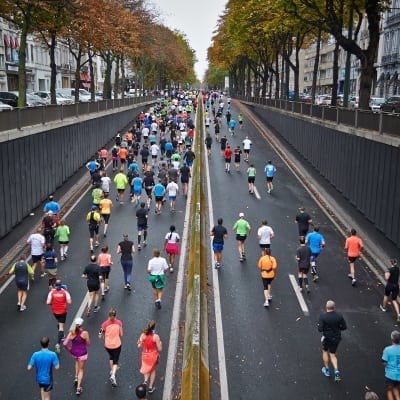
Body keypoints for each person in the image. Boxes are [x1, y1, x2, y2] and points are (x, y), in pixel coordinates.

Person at [318, 300, 347, 382]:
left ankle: (327, 370)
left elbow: (320, 329)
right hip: (336, 337)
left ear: (326, 307)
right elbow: (344, 327)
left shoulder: (323, 316)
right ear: (334, 307)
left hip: (327, 338)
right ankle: (336, 370)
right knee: (333, 354)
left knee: (325, 351)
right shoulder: (339, 316)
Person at [63, 318, 91, 395]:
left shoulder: (72, 332)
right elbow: (88, 344)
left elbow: (65, 343)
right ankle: (78, 388)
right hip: (82, 354)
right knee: (81, 369)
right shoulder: (85, 333)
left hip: (74, 353)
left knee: (76, 362)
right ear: (82, 324)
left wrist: (69, 349)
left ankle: (76, 377)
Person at [99, 308, 123, 387]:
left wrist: (104, 337)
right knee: (116, 361)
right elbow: (121, 334)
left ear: (108, 315)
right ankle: (113, 375)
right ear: (115, 315)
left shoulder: (104, 324)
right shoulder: (119, 323)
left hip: (107, 345)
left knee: (111, 357)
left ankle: (112, 370)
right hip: (116, 344)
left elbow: (100, 334)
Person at [137, 320, 162, 394]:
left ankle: (145, 381)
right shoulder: (156, 337)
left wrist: (139, 341)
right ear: (154, 328)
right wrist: (160, 343)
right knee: (153, 370)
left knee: (146, 367)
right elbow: (160, 349)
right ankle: (150, 387)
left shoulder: (143, 335)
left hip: (145, 355)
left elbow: (139, 345)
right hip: (153, 356)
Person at [46, 279, 71, 353]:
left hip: (55, 312)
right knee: (61, 327)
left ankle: (62, 335)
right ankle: (58, 344)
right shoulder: (65, 292)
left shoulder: (51, 292)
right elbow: (69, 301)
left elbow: (48, 302)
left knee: (59, 323)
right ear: (61, 285)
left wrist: (53, 303)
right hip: (63, 311)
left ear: (55, 285)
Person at [382, 330, 400, 400]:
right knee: (396, 388)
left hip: (390, 375)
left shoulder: (387, 350)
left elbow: (384, 362)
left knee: (389, 390)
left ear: (392, 339)